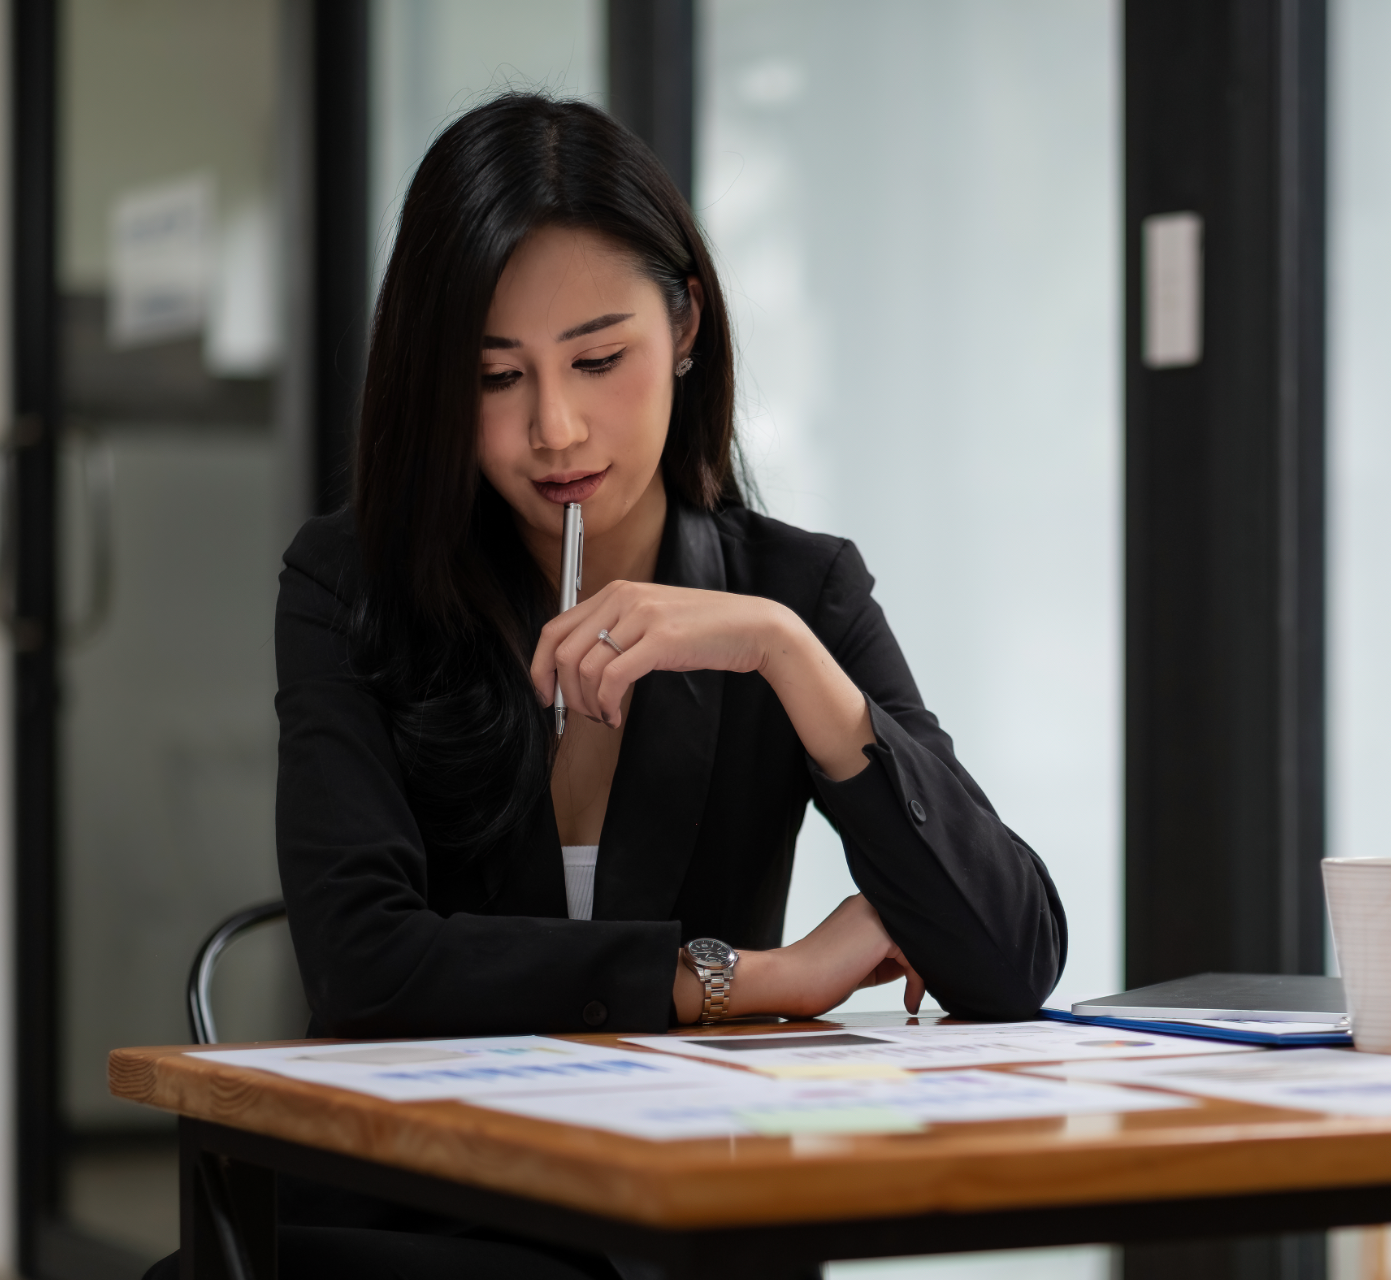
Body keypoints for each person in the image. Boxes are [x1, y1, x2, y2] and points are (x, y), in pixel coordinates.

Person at [143, 93, 1066, 1280]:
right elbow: (367, 970)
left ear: (684, 323)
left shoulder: (791, 594)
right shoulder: (352, 584)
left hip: (685, 1217)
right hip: (412, 1223)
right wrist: (749, 979)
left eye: (598, 357)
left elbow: (1012, 955)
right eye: (493, 376)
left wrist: (785, 656)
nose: (555, 427)